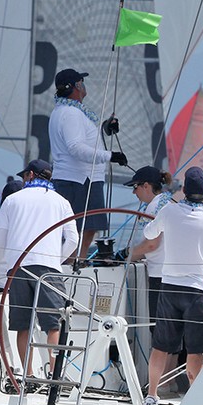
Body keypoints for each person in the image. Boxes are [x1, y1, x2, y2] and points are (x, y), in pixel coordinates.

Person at [132, 167, 203, 405]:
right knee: (195, 351)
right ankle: (195, 401)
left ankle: (152, 395)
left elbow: (149, 232)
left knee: (161, 346)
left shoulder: (169, 212)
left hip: (169, 287)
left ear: (185, 191)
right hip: (197, 290)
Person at [0, 159, 79, 381]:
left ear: (30, 175)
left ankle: (28, 374)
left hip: (18, 267)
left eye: (24, 176)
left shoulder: (11, 200)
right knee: (54, 324)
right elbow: (73, 239)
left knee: (24, 325)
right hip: (49, 268)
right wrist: (55, 259)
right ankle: (54, 373)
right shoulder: (62, 202)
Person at [47, 68, 128, 261]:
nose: (84, 84)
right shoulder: (71, 114)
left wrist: (105, 128)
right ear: (77, 86)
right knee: (79, 228)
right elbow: (75, 147)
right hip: (80, 179)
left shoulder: (65, 111)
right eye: (82, 81)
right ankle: (73, 262)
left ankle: (77, 261)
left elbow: (85, 139)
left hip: (79, 178)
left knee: (88, 227)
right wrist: (110, 156)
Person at [124, 166, 175, 320]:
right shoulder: (169, 203)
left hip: (160, 277)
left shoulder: (154, 207)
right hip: (172, 276)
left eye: (135, 187)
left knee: (159, 329)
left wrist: (126, 254)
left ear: (146, 186)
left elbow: (152, 244)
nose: (134, 193)